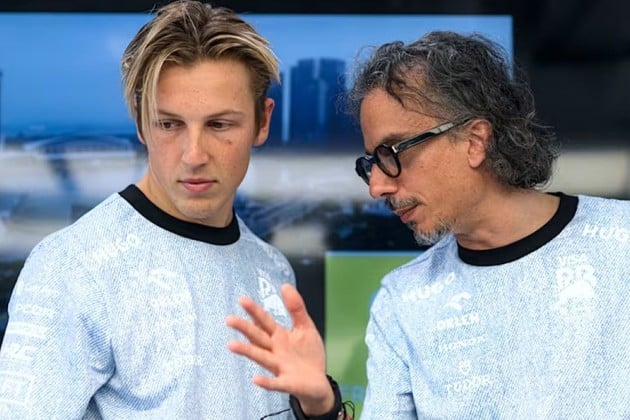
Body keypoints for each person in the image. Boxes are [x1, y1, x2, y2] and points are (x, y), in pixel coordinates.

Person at [226, 31, 630, 419]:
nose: (377, 186)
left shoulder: (621, 243)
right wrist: (322, 407)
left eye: (392, 152)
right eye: (372, 162)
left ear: (475, 140)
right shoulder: (404, 299)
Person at [0, 1, 299, 418]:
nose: (194, 155)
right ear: (141, 122)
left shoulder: (273, 269)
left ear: (262, 122)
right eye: (169, 124)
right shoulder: (72, 267)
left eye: (219, 125)